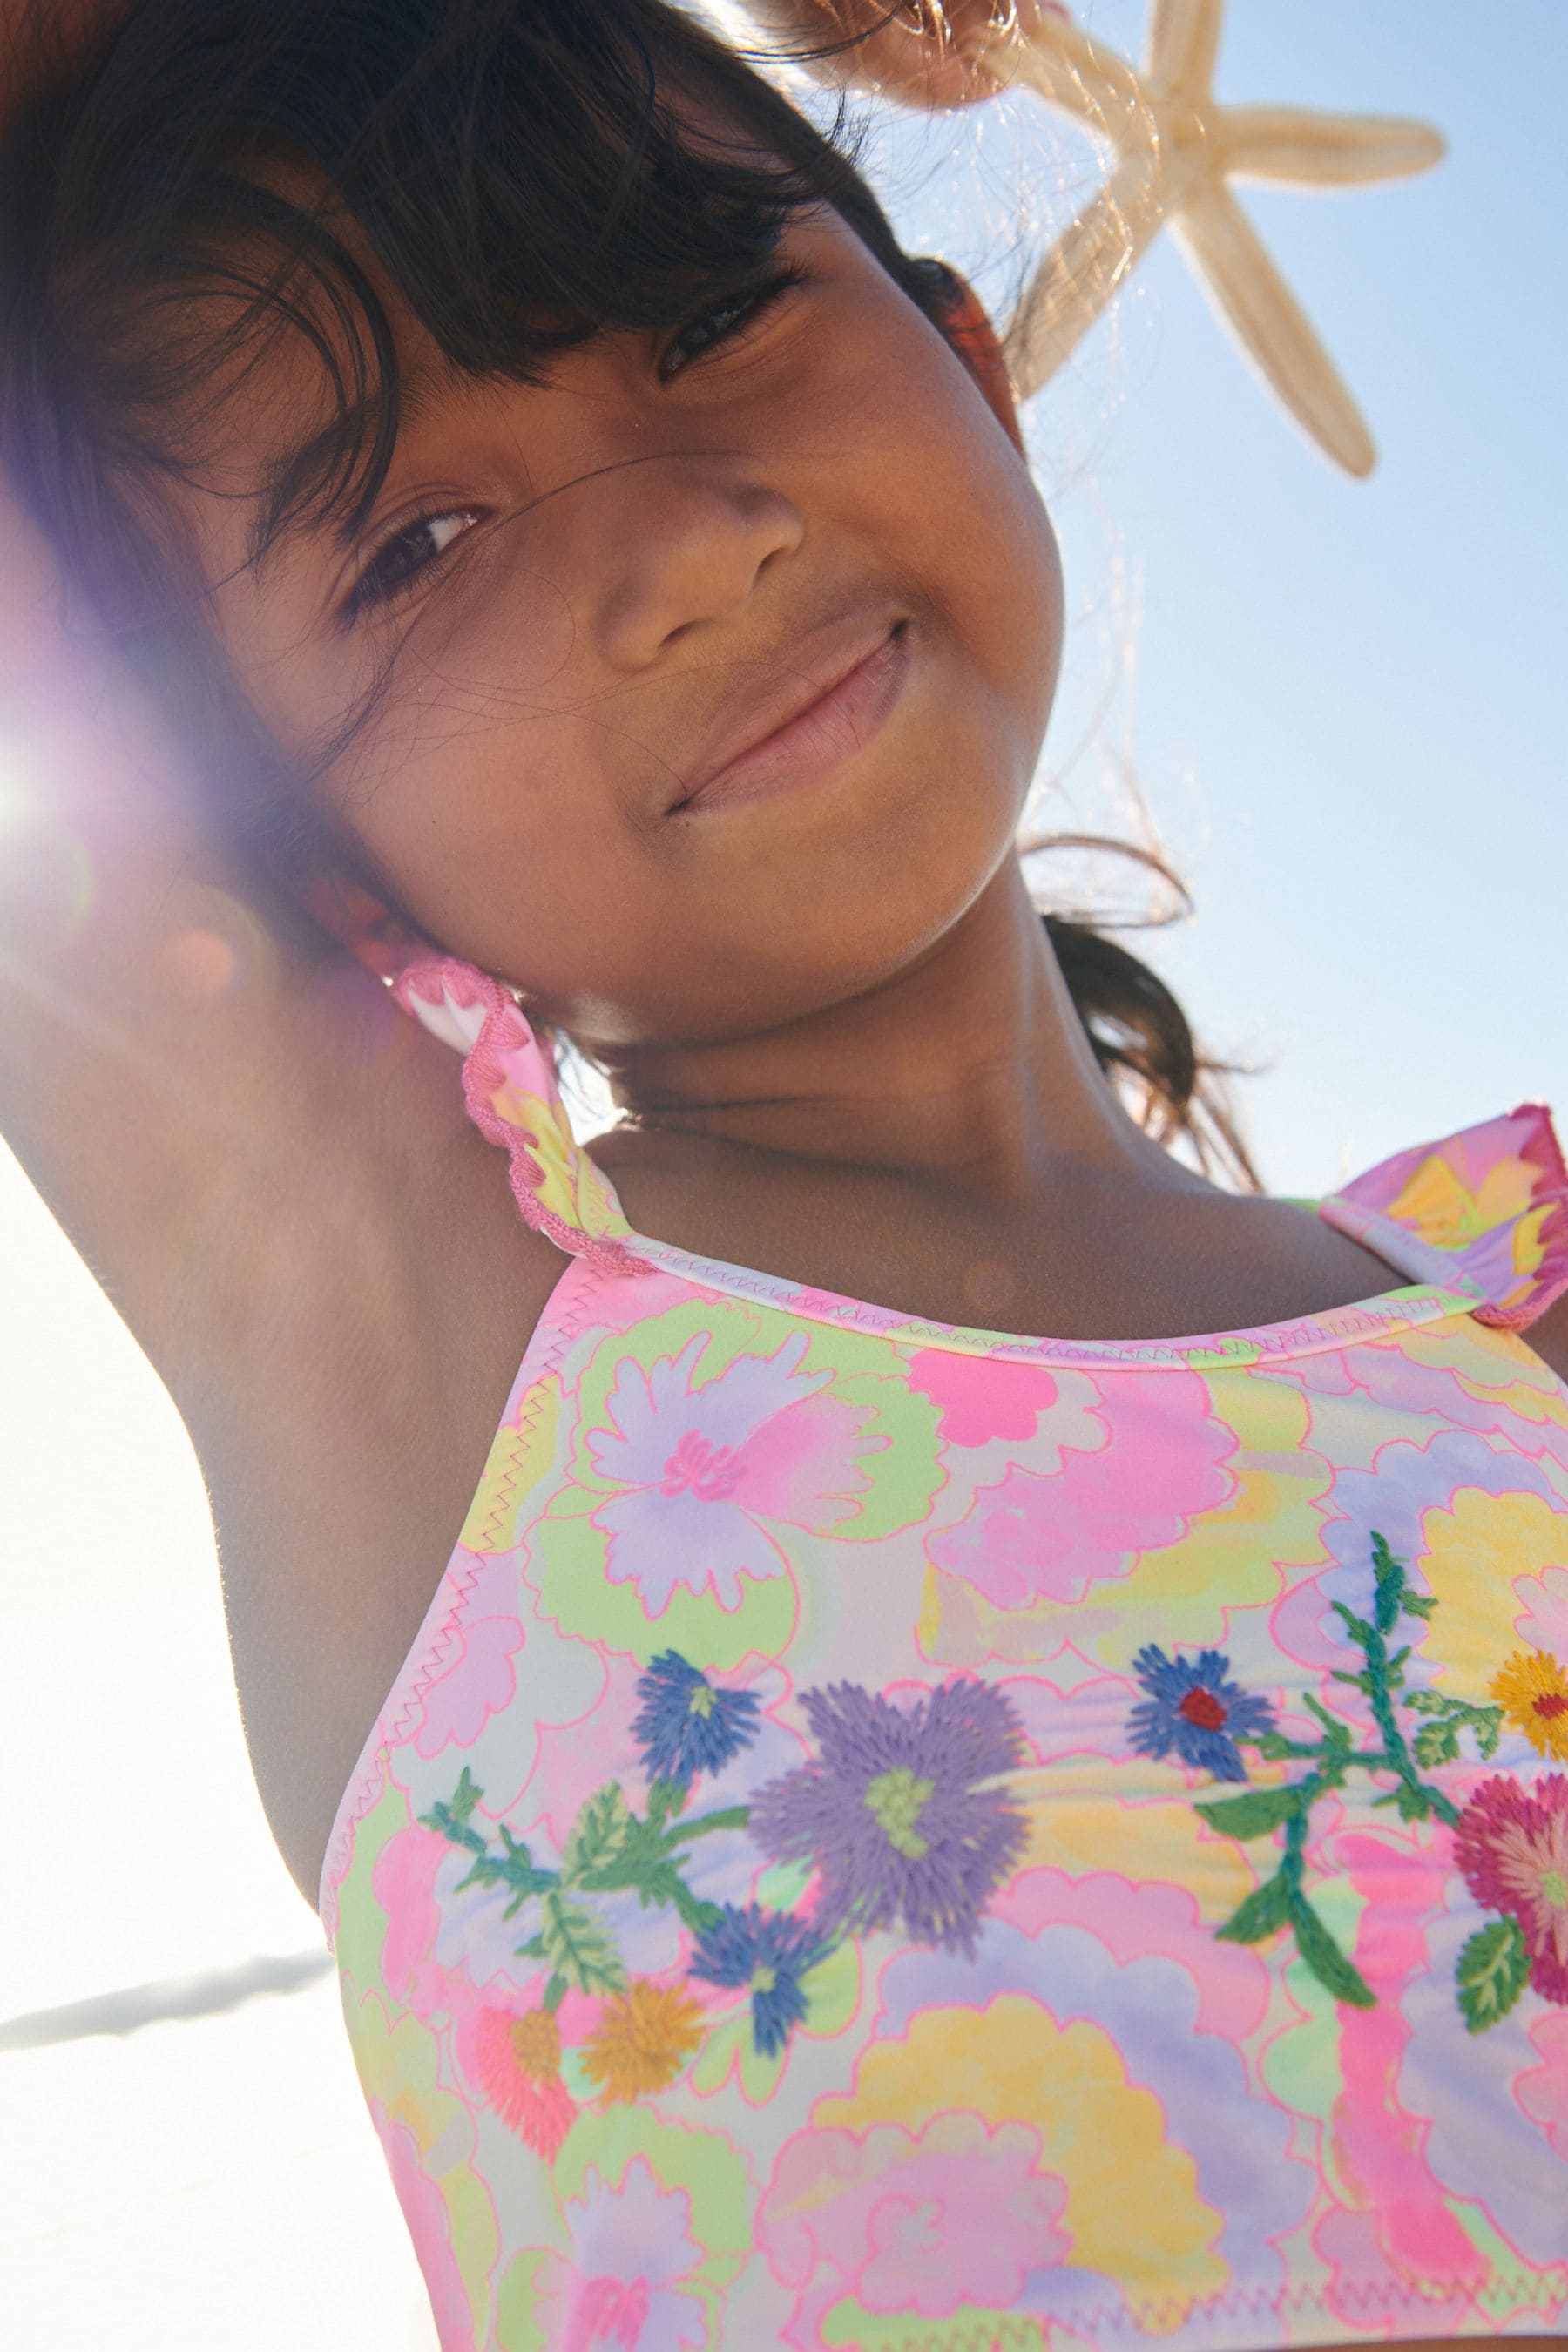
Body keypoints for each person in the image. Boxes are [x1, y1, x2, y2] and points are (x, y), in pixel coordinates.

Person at [1, 3, 1565, 2347]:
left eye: (715, 311)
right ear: (293, 869)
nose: (695, 549)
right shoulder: (412, 1328)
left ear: (975, 360)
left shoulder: (1505, 1329)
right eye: (418, 543)